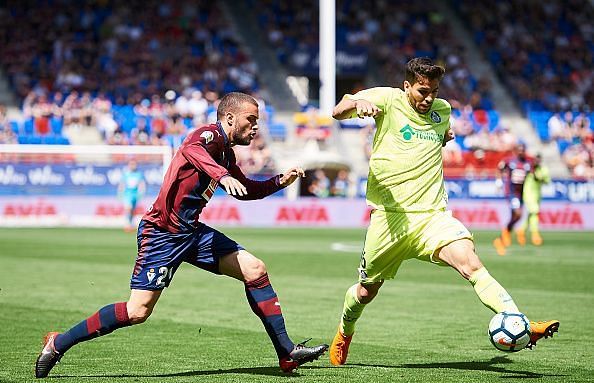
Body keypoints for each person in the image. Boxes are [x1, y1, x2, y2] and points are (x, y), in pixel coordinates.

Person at [35, 92, 328, 378]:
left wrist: (280, 181)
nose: (255, 127)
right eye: (250, 119)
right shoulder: (208, 136)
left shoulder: (226, 155)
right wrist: (221, 176)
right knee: (137, 311)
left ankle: (287, 353)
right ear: (229, 117)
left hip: (192, 233)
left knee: (255, 269)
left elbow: (248, 190)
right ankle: (58, 343)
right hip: (162, 233)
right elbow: (191, 149)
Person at [328, 57, 559, 366]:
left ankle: (519, 322)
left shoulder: (443, 111)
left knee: (472, 265)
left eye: (434, 91)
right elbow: (338, 109)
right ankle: (345, 331)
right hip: (390, 219)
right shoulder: (388, 99)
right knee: (367, 291)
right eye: (423, 91)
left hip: (432, 216)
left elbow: (439, 135)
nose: (429, 98)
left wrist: (444, 136)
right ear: (407, 85)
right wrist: (359, 104)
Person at [492, 143, 532, 256]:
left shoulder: (528, 164)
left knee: (516, 216)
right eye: (519, 150)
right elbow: (499, 169)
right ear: (516, 151)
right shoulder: (510, 161)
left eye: (523, 150)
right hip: (511, 193)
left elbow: (531, 176)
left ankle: (502, 239)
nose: (521, 152)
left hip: (521, 194)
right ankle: (503, 235)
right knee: (518, 214)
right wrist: (499, 181)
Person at [518, 154, 551, 246]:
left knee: (532, 213)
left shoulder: (543, 170)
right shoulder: (528, 168)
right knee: (534, 211)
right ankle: (535, 235)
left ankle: (521, 230)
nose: (536, 162)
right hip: (528, 194)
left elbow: (547, 181)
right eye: (535, 160)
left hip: (537, 195)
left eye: (538, 160)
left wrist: (539, 178)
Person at [118, 160, 146, 232]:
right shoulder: (126, 174)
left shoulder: (139, 174)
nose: (133, 166)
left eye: (134, 164)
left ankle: (131, 224)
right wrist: (120, 193)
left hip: (135, 195)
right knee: (128, 208)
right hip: (127, 194)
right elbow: (122, 184)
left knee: (132, 210)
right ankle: (127, 224)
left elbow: (142, 184)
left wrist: (141, 193)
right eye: (131, 164)